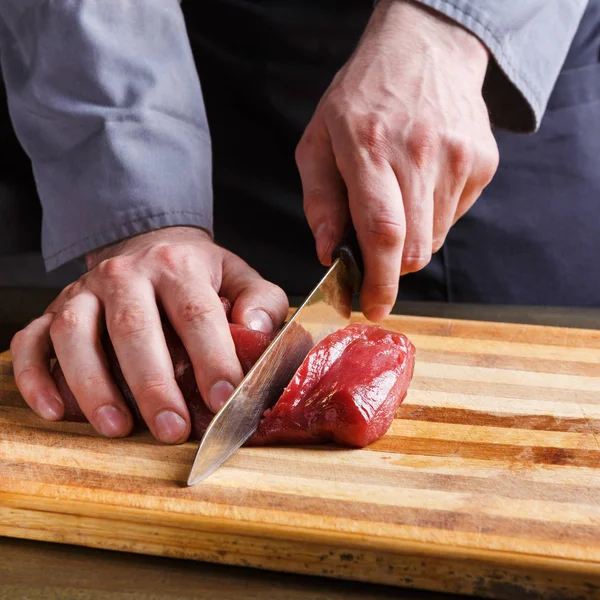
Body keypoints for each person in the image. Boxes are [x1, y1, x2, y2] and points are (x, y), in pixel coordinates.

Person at [0, 0, 597, 445]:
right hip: (206, 84)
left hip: (494, 76)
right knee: (172, 337)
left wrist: (446, 26)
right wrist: (142, 211)